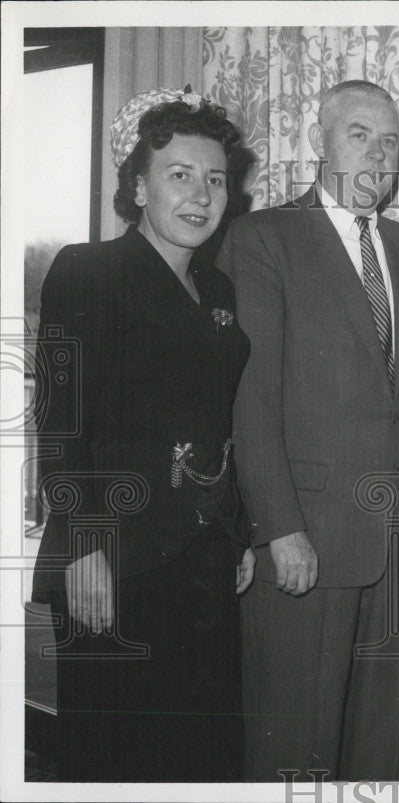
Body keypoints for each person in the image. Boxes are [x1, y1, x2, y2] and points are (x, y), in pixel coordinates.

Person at [218, 80, 399, 781]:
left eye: (391, 142)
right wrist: (278, 526)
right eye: (359, 134)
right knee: (292, 744)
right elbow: (250, 397)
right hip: (304, 541)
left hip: (392, 539)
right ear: (319, 141)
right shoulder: (263, 238)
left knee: (369, 749)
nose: (378, 154)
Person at [30, 87, 255, 782]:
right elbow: (62, 421)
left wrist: (237, 528)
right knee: (116, 756)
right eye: (179, 175)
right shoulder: (88, 271)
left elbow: (217, 422)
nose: (201, 194)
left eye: (215, 179)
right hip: (116, 555)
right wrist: (85, 544)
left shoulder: (218, 291)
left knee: (202, 753)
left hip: (203, 555)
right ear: (138, 185)